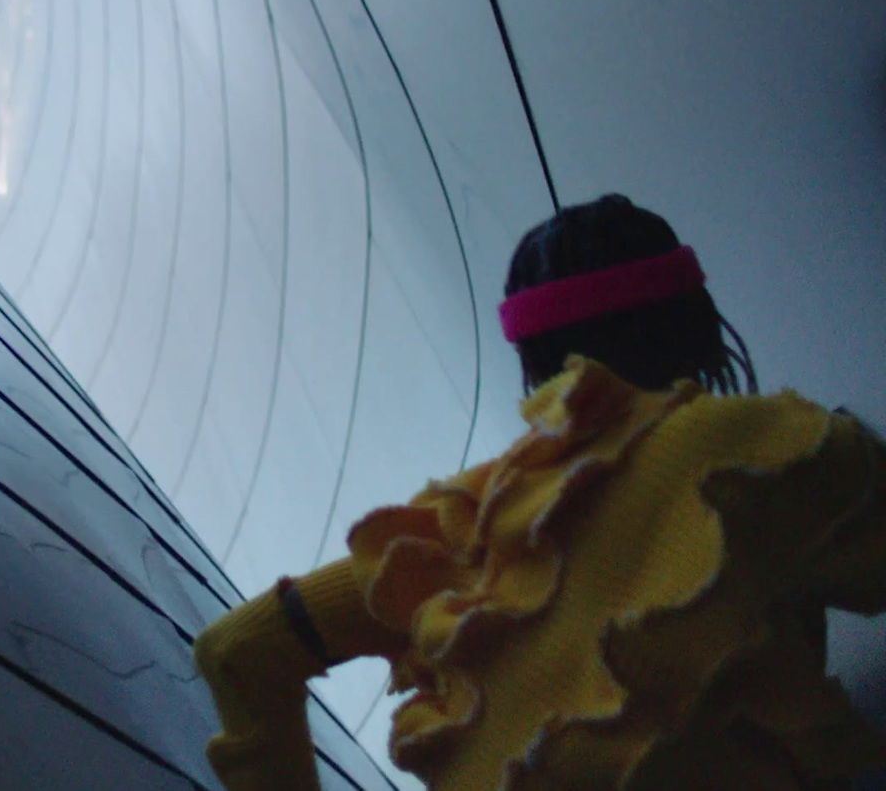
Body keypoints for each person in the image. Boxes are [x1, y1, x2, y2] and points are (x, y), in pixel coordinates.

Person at [193, 194, 885, 791]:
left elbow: (239, 649)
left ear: (534, 366)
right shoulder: (769, 448)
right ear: (698, 322)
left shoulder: (460, 533)